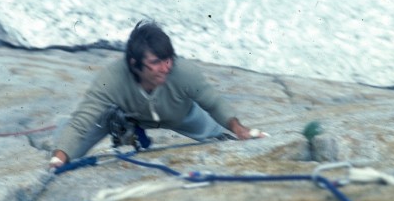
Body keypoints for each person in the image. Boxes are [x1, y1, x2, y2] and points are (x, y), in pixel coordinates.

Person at [49, 20, 254, 168]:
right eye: (156, 62)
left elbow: (213, 102)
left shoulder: (184, 72)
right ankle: (60, 145)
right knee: (67, 154)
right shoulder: (111, 78)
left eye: (168, 59)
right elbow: (83, 121)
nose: (166, 68)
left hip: (181, 115)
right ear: (134, 64)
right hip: (125, 117)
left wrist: (238, 128)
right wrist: (59, 157)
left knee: (223, 136)